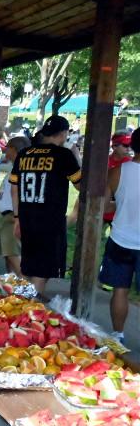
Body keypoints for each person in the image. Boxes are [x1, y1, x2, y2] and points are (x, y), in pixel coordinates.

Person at [10, 115, 81, 294]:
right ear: (64, 133)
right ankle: (30, 309)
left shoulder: (24, 154)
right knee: (42, 272)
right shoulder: (63, 155)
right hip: (50, 223)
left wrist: (17, 218)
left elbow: (14, 188)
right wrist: (76, 157)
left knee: (29, 267)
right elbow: (81, 185)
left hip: (26, 218)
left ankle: (22, 304)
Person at [98, 128, 140, 345]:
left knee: (120, 290)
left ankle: (118, 334)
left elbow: (104, 205)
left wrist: (121, 203)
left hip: (120, 238)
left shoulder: (117, 172)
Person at [0, 136, 30, 276]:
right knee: (8, 253)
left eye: (7, 148)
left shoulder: (22, 168)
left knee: (12, 253)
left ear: (14, 149)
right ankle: (13, 284)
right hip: (7, 216)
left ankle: (27, 286)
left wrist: (17, 218)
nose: (5, 151)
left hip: (12, 216)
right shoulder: (14, 167)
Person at [103, 132, 132, 226]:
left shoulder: (131, 163)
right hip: (104, 207)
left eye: (130, 145)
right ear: (114, 146)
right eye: (125, 145)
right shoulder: (104, 161)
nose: (128, 148)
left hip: (120, 212)